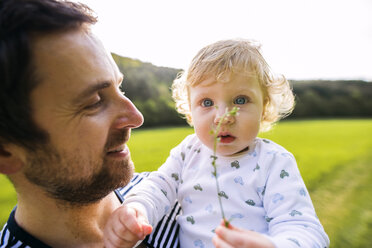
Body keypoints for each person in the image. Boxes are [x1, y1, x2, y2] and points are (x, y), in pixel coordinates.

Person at [104, 39, 330, 248]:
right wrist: (137, 209)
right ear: (190, 111)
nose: (223, 117)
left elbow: (305, 229)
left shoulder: (274, 162)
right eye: (207, 102)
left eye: (240, 100)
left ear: (264, 107)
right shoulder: (187, 152)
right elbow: (159, 187)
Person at [0, 0, 180, 247]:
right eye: (94, 101)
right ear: (6, 151)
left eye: (120, 87)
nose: (136, 118)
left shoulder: (181, 198)